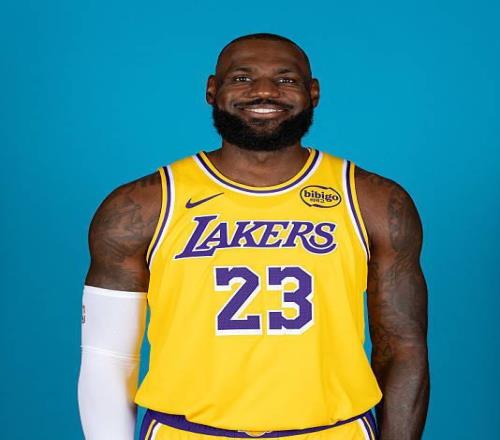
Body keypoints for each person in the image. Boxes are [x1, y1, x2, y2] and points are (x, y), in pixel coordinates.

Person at [78, 33, 429, 440]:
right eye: (242, 78)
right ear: (212, 90)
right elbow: (108, 357)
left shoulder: (372, 200)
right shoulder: (142, 206)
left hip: (337, 431)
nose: (265, 91)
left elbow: (403, 348)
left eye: (286, 80)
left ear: (313, 93)